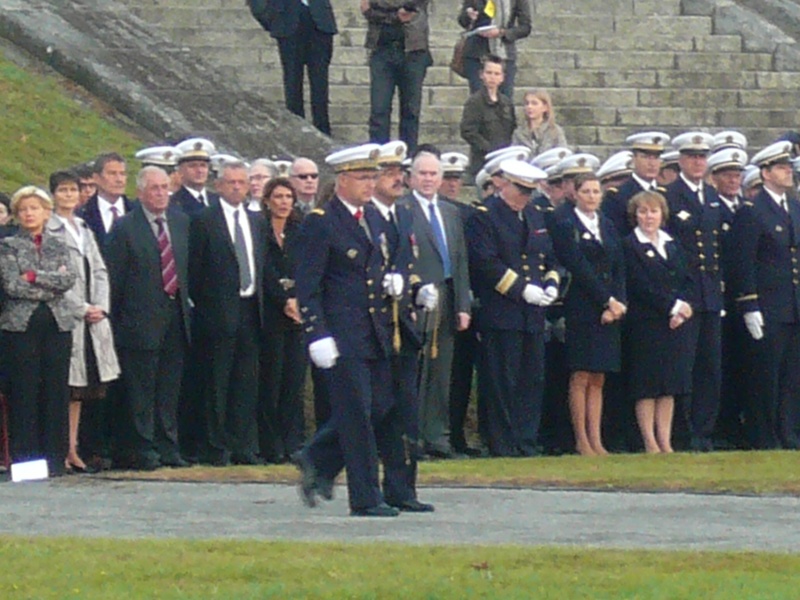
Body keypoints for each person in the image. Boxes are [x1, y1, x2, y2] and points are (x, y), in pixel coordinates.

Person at [292, 143, 429, 516]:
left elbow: (388, 260)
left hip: (376, 330)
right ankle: (365, 496)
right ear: (342, 179)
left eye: (373, 177)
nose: (371, 184)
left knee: (381, 407)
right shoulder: (322, 221)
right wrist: (316, 332)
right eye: (363, 177)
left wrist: (401, 282)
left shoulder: (373, 218)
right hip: (342, 332)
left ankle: (316, 457)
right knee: (356, 415)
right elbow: (308, 284)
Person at [466, 159, 559, 456]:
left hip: (533, 313)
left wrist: (551, 283)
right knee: (501, 379)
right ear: (503, 184)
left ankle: (525, 439)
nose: (525, 197)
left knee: (532, 378)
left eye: (529, 191)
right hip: (502, 310)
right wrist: (522, 289)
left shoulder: (534, 214)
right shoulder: (485, 216)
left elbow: (548, 257)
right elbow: (486, 262)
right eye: (520, 190)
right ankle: (501, 441)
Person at [105, 167, 192, 470]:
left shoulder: (181, 222)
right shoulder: (125, 227)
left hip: (176, 319)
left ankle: (169, 445)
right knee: (142, 389)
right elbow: (115, 280)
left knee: (169, 388)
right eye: (154, 188)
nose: (160, 193)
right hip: (139, 322)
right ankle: (144, 448)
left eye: (165, 187)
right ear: (140, 192)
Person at [189, 161, 267, 466]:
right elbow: (194, 269)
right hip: (217, 311)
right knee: (217, 381)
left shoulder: (256, 221)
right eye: (231, 182)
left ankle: (243, 444)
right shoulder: (204, 220)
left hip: (250, 309)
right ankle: (215, 445)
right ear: (218, 185)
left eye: (242, 182)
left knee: (246, 381)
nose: (237, 187)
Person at [46, 171, 120, 474]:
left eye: (72, 190)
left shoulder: (84, 228)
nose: (68, 196)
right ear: (53, 194)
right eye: (62, 190)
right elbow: (54, 276)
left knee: (82, 389)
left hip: (92, 318)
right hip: (66, 316)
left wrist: (100, 306)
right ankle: (59, 449)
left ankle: (74, 448)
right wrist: (80, 306)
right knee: (65, 385)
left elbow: (100, 269)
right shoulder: (49, 229)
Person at [399, 151, 471, 458]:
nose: (429, 179)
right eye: (423, 173)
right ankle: (411, 437)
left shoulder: (451, 212)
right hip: (418, 298)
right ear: (411, 177)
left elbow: (460, 259)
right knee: (417, 371)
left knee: (442, 372)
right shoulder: (403, 209)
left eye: (433, 174)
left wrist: (463, 304)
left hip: (448, 296)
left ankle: (437, 436)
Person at [0, 186, 77, 476]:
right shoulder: (8, 245)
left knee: (55, 392)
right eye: (23, 209)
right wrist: (49, 282)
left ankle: (55, 460)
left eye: (35, 208)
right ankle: (26, 462)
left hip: (57, 325)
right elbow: (12, 285)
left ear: (46, 212)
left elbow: (67, 278)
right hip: (21, 328)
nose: (29, 213)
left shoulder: (59, 243)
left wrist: (33, 276)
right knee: (25, 392)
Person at [728, 141, 800, 450]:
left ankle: (787, 432)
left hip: (792, 304)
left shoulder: (794, 208)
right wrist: (749, 303)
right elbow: (743, 262)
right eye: (783, 168)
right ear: (766, 173)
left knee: (790, 376)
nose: (789, 173)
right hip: (768, 306)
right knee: (765, 376)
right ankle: (763, 434)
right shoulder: (753, 212)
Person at [551, 173, 626, 456]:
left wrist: (619, 302)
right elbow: (578, 266)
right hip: (582, 307)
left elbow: (618, 265)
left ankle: (597, 439)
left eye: (596, 191)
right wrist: (606, 300)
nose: (592, 196)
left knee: (599, 376)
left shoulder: (606, 224)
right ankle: (581, 439)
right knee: (581, 374)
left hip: (610, 310)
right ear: (575, 194)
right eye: (586, 191)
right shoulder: (566, 224)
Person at [623, 191, 694, 453]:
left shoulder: (671, 243)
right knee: (647, 385)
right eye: (642, 211)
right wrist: (671, 306)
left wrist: (683, 308)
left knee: (669, 385)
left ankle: (665, 441)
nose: (648, 216)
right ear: (635, 215)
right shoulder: (630, 245)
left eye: (653, 211)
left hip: (674, 324)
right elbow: (640, 285)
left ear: (662, 214)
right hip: (647, 324)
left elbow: (685, 278)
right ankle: (649, 441)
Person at [664, 132, 722, 452]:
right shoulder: (670, 196)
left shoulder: (711, 196)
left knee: (710, 366)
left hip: (710, 293)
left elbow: (717, 249)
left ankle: (704, 430)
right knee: (684, 365)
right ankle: (683, 431)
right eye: (692, 157)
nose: (698, 162)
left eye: (702, 157)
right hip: (685, 294)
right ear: (682, 161)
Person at [258, 177, 307, 464]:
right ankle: (270, 443)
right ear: (267, 200)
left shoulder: (299, 231)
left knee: (293, 381)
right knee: (271, 380)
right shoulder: (259, 231)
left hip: (297, 314)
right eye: (278, 196)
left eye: (288, 196)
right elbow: (263, 269)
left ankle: (293, 441)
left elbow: (306, 267)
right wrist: (282, 298)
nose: (284, 202)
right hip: (272, 314)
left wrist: (298, 298)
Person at [708, 147, 749, 449]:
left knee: (741, 366)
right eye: (728, 175)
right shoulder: (712, 208)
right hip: (719, 297)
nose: (734, 181)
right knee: (718, 364)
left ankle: (736, 425)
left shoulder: (744, 209)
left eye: (737, 175)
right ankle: (720, 427)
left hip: (744, 298)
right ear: (716, 178)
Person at [248, 0, 337, 135]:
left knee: (320, 84)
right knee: (292, 82)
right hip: (287, 22)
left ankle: (323, 130)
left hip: (320, 22)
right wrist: (270, 19)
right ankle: (296, 130)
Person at [362, 0, 432, 154]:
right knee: (379, 110)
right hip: (382, 50)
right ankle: (378, 158)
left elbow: (411, 7)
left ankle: (408, 159)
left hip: (413, 52)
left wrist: (380, 9)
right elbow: (366, 8)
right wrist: (396, 14)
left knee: (410, 111)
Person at [457, 0, 531, 99]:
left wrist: (502, 32)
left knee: (505, 100)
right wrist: (469, 16)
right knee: (479, 100)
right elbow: (463, 20)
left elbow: (525, 27)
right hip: (477, 55)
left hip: (504, 54)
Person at [460, 55, 516, 178]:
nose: (492, 77)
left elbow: (512, 128)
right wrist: (489, 149)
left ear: (502, 78)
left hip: (504, 161)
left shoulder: (507, 103)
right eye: (489, 73)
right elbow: (467, 131)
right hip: (482, 162)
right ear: (482, 75)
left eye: (497, 74)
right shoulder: (474, 102)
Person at [78, 152, 134, 250]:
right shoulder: (81, 216)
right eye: (112, 173)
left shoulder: (137, 212)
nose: (119, 179)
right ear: (96, 178)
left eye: (122, 174)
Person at [170, 138, 220, 216]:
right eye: (192, 166)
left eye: (203, 166)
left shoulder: (218, 200)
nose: (199, 170)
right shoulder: (173, 203)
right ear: (180, 171)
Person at [511, 90, 567, 157]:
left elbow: (563, 155)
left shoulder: (555, 131)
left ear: (545, 107)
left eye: (534, 103)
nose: (529, 107)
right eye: (527, 103)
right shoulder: (518, 133)